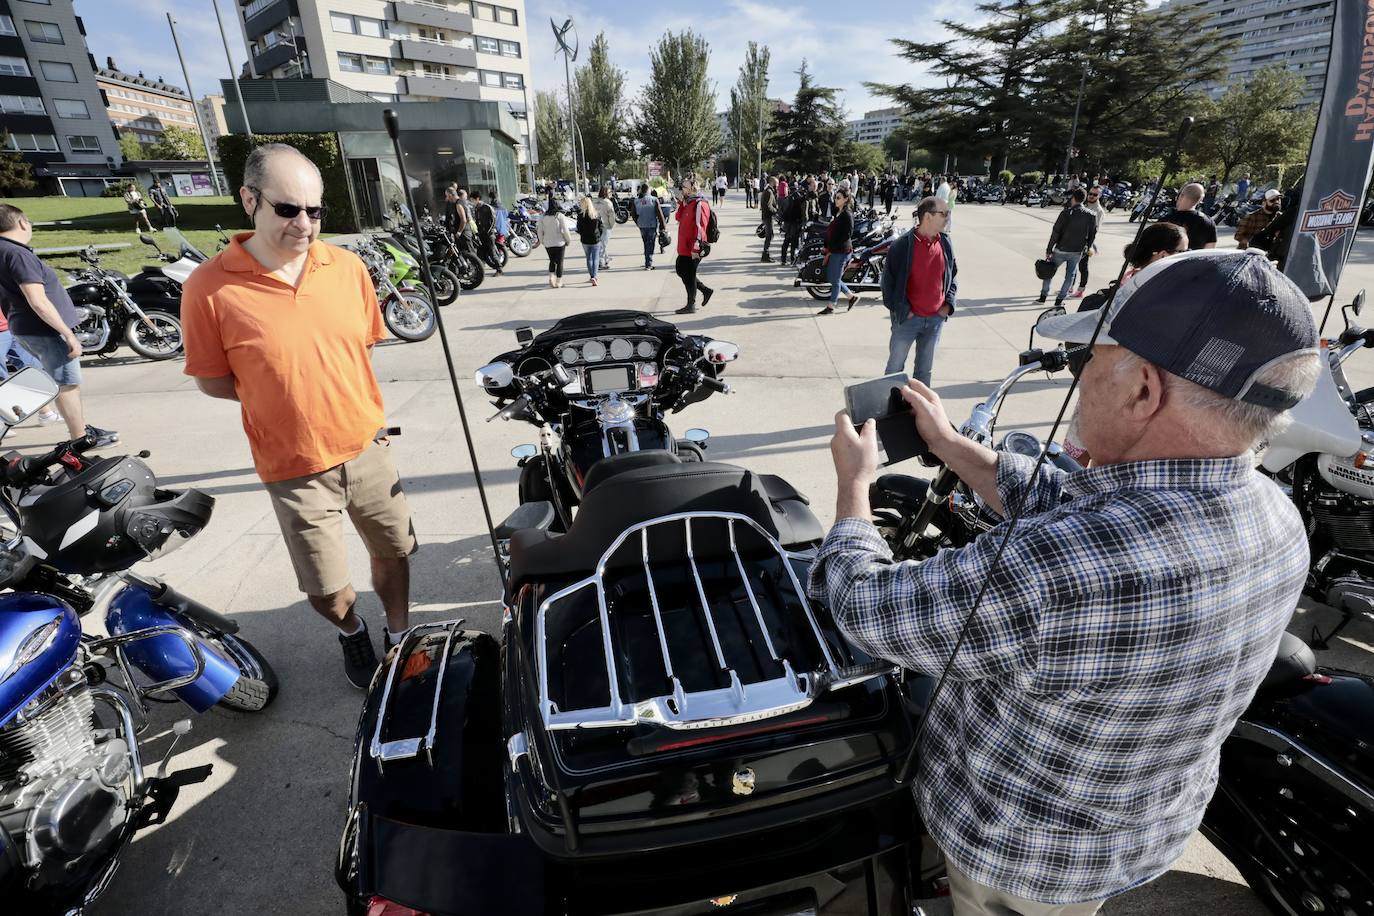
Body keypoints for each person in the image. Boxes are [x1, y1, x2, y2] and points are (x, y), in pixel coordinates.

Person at [812, 248, 1322, 916]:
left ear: (1144, 388)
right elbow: (1085, 499)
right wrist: (952, 448)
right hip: (1137, 831)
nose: (1079, 384)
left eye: (1092, 364)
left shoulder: (1059, 571)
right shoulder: (1279, 514)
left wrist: (853, 486)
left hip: (1020, 863)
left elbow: (865, 608)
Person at [180, 143, 418, 689]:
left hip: (368, 446)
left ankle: (399, 634)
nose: (305, 224)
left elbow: (360, 349)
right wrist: (285, 399)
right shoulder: (209, 287)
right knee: (327, 591)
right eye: (288, 209)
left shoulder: (349, 268)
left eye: (316, 210)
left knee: (396, 553)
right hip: (292, 464)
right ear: (249, 200)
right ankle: (353, 629)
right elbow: (215, 381)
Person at [0, 204, 118, 444]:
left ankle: (81, 429)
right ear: (22, 223)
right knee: (67, 384)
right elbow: (38, 301)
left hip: (24, 326)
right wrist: (67, 333)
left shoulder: (4, 251)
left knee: (58, 381)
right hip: (45, 329)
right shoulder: (17, 254)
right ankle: (80, 438)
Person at [881, 195, 957, 385]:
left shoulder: (945, 243)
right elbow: (887, 285)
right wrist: (904, 311)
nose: (948, 217)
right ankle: (890, 409)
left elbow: (952, 275)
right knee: (894, 370)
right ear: (928, 216)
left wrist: (948, 305)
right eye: (944, 213)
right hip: (908, 320)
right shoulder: (902, 246)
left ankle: (919, 412)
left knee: (924, 373)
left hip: (935, 321)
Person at [1037, 187, 1097, 308]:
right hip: (1077, 251)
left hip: (1061, 248)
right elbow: (1092, 234)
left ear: (1073, 198)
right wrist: (1087, 247)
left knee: (1049, 271)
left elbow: (1056, 232)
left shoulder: (1065, 213)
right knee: (1070, 276)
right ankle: (1059, 300)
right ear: (1084, 199)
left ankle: (1043, 296)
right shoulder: (1091, 215)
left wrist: (1049, 249)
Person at [673, 177, 714, 315]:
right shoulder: (688, 203)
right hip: (684, 245)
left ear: (692, 188)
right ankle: (705, 290)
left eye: (684, 187)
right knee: (680, 269)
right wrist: (680, 203)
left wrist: (696, 247)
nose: (681, 189)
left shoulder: (700, 204)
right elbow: (678, 217)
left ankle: (691, 304)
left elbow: (700, 226)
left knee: (689, 275)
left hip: (693, 246)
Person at [817, 188, 860, 316]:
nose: (836, 200)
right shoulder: (839, 212)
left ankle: (831, 307)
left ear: (846, 199)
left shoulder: (847, 214)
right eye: (835, 197)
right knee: (832, 277)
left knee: (835, 280)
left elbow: (847, 234)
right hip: (835, 250)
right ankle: (851, 297)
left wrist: (832, 247)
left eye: (838, 197)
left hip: (842, 251)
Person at [1070, 185, 1107, 298]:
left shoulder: (1099, 211)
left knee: (1082, 266)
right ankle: (1069, 288)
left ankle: (1081, 290)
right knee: (1072, 266)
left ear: (1099, 195)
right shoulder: (1083, 204)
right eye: (1090, 193)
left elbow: (1094, 230)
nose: (1091, 196)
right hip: (1075, 240)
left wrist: (1089, 245)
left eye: (1094, 194)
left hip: (1086, 243)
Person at [1162, 182, 1217, 250]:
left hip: (1169, 260)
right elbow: (1209, 251)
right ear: (1200, 200)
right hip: (1194, 259)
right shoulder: (1209, 222)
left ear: (1181, 195)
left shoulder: (1165, 221)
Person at [537, 195, 572, 287]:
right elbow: (565, 230)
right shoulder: (559, 216)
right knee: (560, 262)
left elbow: (539, 230)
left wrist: (542, 241)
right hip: (559, 242)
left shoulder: (542, 216)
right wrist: (568, 240)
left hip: (548, 243)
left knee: (552, 260)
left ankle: (551, 277)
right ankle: (558, 281)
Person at [634, 183, 666, 270]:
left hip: (642, 225)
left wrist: (637, 222)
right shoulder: (654, 200)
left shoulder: (637, 201)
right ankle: (648, 263)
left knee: (645, 243)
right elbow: (660, 214)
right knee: (650, 244)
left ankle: (647, 260)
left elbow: (633, 213)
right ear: (648, 190)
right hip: (651, 225)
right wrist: (663, 226)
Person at [470, 190, 502, 276]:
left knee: (492, 252)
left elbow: (493, 220)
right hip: (481, 234)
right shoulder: (477, 208)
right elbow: (477, 221)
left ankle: (499, 269)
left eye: (472, 200)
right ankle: (480, 271)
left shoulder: (487, 207)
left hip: (489, 234)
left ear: (477, 199)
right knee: (481, 253)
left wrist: (489, 231)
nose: (471, 202)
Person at [575, 195, 604, 286]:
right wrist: (599, 235)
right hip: (595, 239)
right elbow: (601, 227)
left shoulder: (580, 215)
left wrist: (581, 233)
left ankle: (591, 275)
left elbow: (578, 228)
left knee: (589, 258)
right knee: (596, 258)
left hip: (585, 240)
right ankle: (594, 276)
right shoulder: (596, 214)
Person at [595, 185, 616, 270]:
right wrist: (612, 225)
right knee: (603, 244)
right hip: (605, 225)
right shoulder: (608, 202)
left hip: (596, 225)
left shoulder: (595, 202)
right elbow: (612, 216)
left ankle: (606, 258)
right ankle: (600, 263)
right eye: (609, 192)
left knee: (601, 243)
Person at [759, 175, 778, 263]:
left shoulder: (767, 191)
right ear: (772, 183)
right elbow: (768, 206)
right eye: (776, 183)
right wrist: (775, 211)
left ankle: (766, 254)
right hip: (768, 217)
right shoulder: (769, 192)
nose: (777, 185)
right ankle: (765, 255)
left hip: (767, 217)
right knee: (769, 236)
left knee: (770, 235)